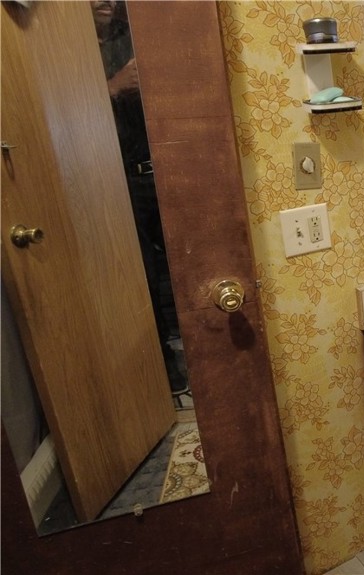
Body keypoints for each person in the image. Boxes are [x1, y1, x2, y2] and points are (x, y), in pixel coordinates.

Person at [92, 0, 187, 395]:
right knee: (140, 275)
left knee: (190, 262)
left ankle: (205, 351)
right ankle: (163, 363)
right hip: (116, 180)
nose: (105, 1)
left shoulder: (135, 34)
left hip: (166, 166)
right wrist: (112, 87)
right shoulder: (71, 51)